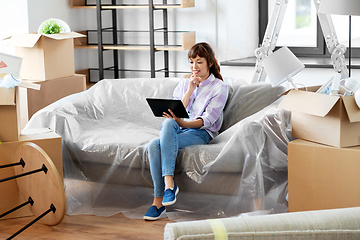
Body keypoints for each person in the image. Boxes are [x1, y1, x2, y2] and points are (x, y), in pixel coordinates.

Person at [144, 42, 228, 220]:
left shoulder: (219, 87)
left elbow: (207, 120)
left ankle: (158, 201)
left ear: (210, 63)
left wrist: (182, 122)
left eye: (199, 62)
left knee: (154, 146)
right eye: (191, 62)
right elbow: (175, 111)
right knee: (166, 125)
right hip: (180, 131)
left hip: (201, 133)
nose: (194, 67)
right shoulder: (184, 84)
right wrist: (189, 90)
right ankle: (168, 187)